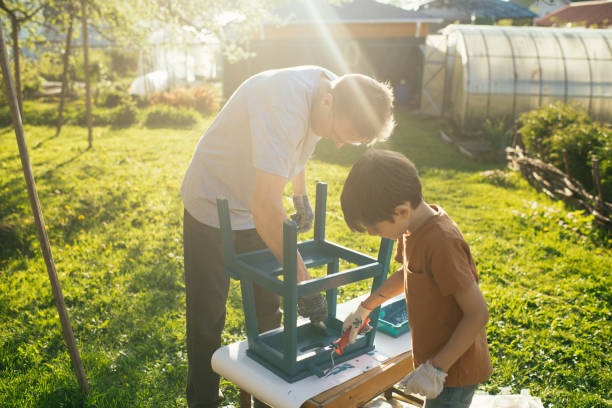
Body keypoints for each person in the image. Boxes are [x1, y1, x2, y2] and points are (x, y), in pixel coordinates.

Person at [181, 66, 395, 408]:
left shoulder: (330, 88)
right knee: (207, 317)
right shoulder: (283, 103)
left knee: (268, 312)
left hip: (254, 205)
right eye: (340, 134)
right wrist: (306, 285)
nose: (338, 144)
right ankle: (203, 400)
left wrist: (299, 195)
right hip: (213, 202)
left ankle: (268, 398)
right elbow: (265, 207)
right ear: (327, 102)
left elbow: (293, 147)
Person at [340, 149, 492, 408]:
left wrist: (436, 369)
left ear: (400, 211)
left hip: (454, 370)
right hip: (434, 360)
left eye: (375, 228)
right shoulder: (411, 227)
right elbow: (406, 273)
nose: (375, 234)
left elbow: (477, 314)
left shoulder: (442, 243)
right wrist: (365, 307)